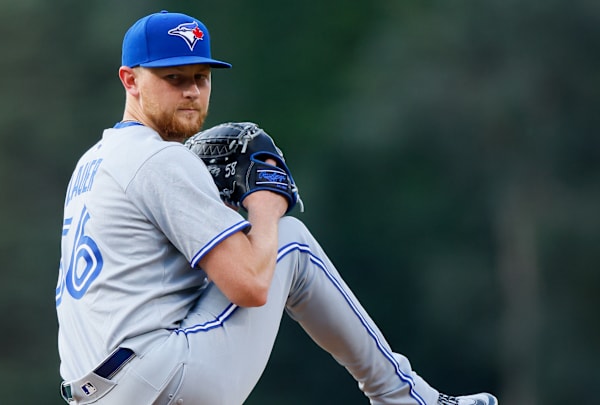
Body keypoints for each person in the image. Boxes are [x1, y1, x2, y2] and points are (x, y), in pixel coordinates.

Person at [55, 10, 499, 405]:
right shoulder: (160, 158)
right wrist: (264, 204)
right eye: (174, 78)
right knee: (289, 240)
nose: (191, 91)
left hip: (96, 392)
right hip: (158, 377)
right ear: (130, 80)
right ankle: (403, 397)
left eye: (201, 77)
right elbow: (250, 286)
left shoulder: (92, 163)